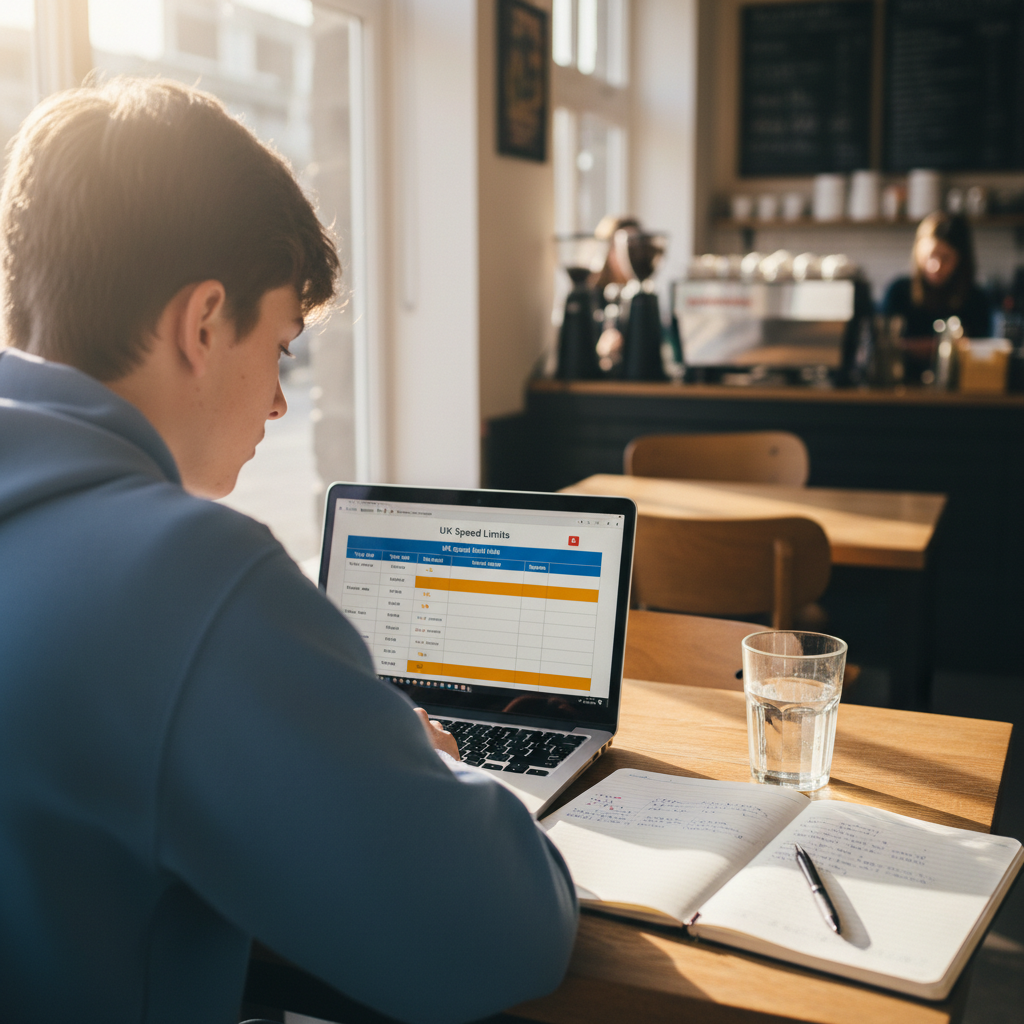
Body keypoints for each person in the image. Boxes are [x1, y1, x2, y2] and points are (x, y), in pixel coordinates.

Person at [0, 78, 577, 1023]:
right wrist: (425, 759)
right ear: (201, 323)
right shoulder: (189, 581)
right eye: (280, 348)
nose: (277, 401)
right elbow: (502, 935)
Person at [882, 212, 992, 383]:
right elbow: (885, 346)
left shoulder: (976, 299)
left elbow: (982, 353)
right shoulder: (899, 292)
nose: (936, 266)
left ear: (961, 259)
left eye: (946, 258)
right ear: (918, 252)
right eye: (930, 256)